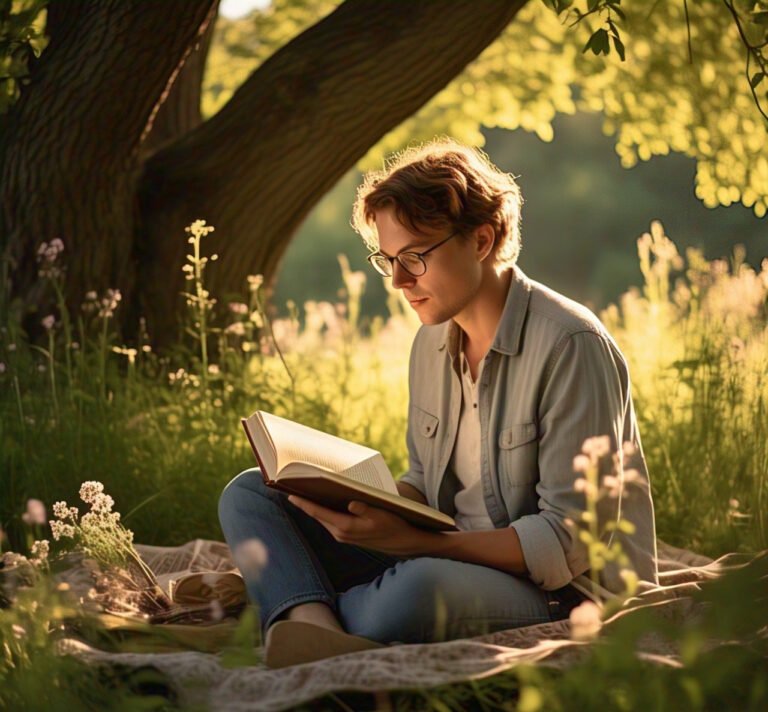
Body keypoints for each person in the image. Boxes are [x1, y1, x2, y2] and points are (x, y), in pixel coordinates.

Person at [218, 139, 658, 669]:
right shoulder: (430, 343)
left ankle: (289, 603)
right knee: (250, 494)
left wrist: (417, 546)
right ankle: (313, 625)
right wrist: (357, 498)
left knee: (414, 593)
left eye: (415, 257)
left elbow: (568, 542)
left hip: (563, 591)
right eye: (388, 260)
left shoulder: (570, 344)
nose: (400, 281)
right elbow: (427, 485)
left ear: (481, 239)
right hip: (447, 553)